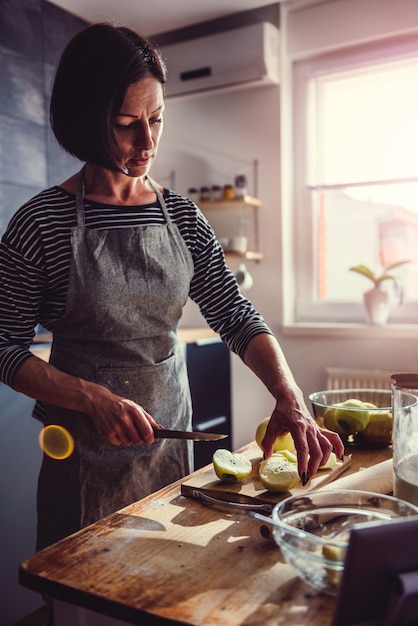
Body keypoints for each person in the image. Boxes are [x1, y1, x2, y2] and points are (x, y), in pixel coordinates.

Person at [0, 23, 344, 552]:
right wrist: (90, 397)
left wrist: (289, 394)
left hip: (169, 452)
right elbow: (2, 347)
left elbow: (234, 313)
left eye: (156, 119)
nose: (147, 142)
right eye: (125, 124)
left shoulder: (182, 216)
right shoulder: (40, 222)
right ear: (87, 121)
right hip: (82, 463)